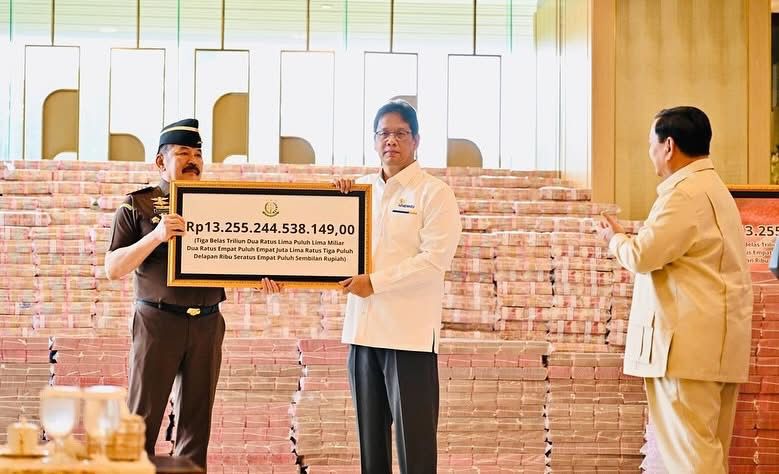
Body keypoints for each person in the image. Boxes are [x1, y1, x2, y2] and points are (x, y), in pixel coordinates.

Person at [105, 118, 277, 468]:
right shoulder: (138, 205)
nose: (193, 161)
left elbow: (241, 255)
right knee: (142, 421)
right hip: (158, 323)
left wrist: (263, 275)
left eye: (198, 154)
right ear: (161, 161)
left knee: (196, 427)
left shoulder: (219, 205)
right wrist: (155, 237)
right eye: (183, 153)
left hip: (207, 324)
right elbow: (113, 267)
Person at [596, 106, 753, 473]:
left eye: (651, 144)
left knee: (692, 460)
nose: (649, 153)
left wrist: (614, 239)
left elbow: (644, 255)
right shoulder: (714, 189)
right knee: (706, 454)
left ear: (668, 146)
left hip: (685, 351)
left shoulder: (684, 194)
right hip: (715, 348)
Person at [333, 100, 462, 473]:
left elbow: (434, 261)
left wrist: (374, 283)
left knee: (415, 448)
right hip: (363, 334)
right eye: (384, 133)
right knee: (371, 449)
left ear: (416, 140)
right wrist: (334, 200)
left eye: (401, 133)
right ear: (374, 140)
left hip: (409, 337)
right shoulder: (358, 190)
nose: (391, 140)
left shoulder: (434, 193)